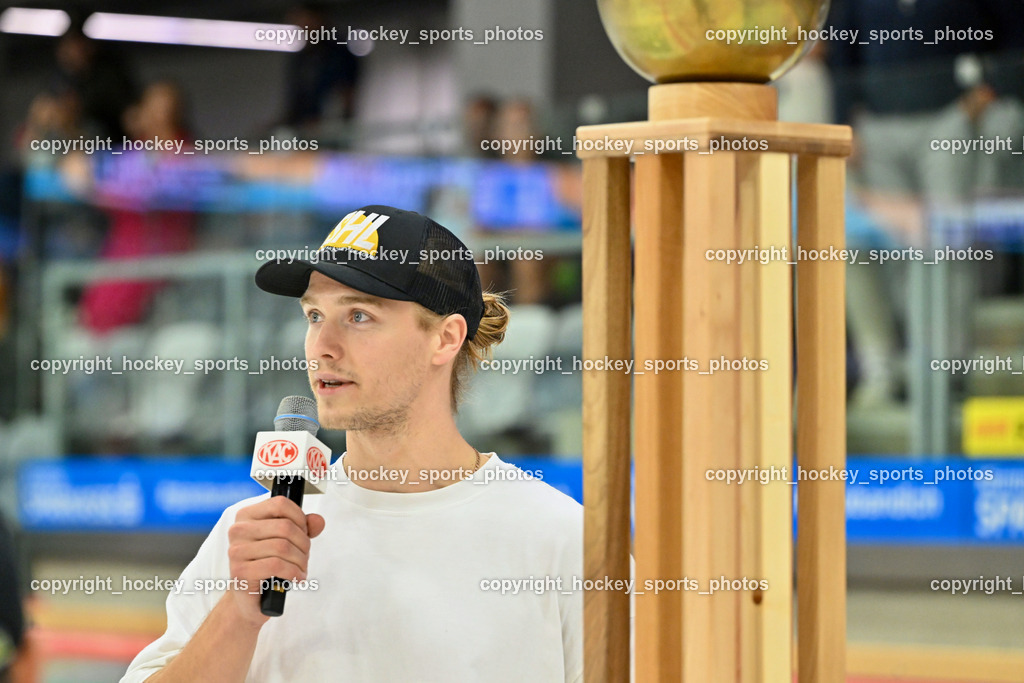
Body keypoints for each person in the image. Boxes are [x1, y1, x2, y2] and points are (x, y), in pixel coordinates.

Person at [121, 205, 584, 682]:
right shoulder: (251, 537)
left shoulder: (561, 539)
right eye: (314, 314)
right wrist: (238, 613)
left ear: (445, 339)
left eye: (358, 316)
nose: (322, 344)